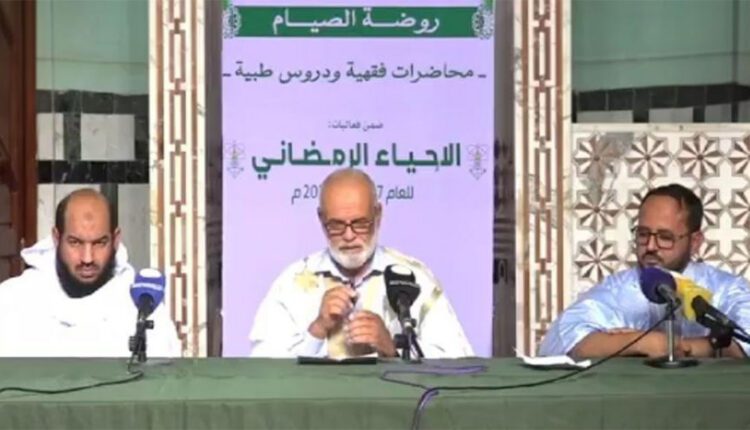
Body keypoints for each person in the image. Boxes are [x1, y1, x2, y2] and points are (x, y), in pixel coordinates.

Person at [249, 168, 473, 358]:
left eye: (360, 223)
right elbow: (262, 370)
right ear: (321, 219)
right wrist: (318, 329)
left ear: (378, 215)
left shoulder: (415, 279)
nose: (349, 236)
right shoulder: (291, 283)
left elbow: (459, 363)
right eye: (336, 225)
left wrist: (392, 349)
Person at [539, 183, 750, 359]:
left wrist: (679, 347)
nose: (650, 246)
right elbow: (565, 341)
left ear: (694, 242)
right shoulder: (617, 288)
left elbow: (745, 342)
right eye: (643, 234)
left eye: (665, 237)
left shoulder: (727, 288)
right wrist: (641, 342)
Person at [0, 189, 181, 357]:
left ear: (116, 240)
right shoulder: (12, 301)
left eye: (99, 243)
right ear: (56, 238)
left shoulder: (142, 306)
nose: (87, 258)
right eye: (75, 242)